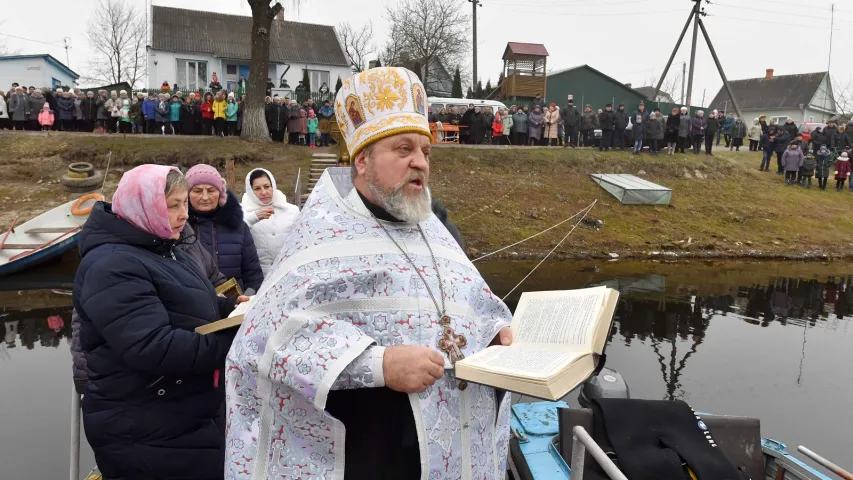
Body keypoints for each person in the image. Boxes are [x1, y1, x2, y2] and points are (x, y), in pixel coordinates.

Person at [225, 66, 513, 480]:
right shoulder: (321, 233)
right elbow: (264, 340)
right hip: (365, 446)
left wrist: (497, 327)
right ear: (362, 160)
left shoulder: (434, 229)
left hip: (447, 438)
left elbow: (474, 299)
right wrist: (378, 364)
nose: (420, 163)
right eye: (403, 150)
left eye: (426, 152)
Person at [73, 165, 242, 480]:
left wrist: (228, 306)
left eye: (183, 204)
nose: (184, 214)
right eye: (172, 206)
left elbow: (182, 300)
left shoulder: (163, 247)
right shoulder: (112, 265)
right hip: (142, 426)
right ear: (143, 208)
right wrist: (236, 339)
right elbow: (153, 346)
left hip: (177, 413)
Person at [186, 164, 264, 292]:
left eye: (211, 190)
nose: (205, 197)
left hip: (234, 304)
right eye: (197, 191)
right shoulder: (178, 228)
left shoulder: (238, 226)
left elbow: (253, 274)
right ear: (187, 195)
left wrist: (250, 297)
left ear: (220, 193)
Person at [240, 168, 300, 275]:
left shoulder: (292, 210)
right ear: (250, 190)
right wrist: (253, 217)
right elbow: (234, 236)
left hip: (287, 272)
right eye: (257, 188)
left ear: (273, 186)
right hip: (256, 274)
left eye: (267, 186)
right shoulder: (241, 211)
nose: (263, 192)